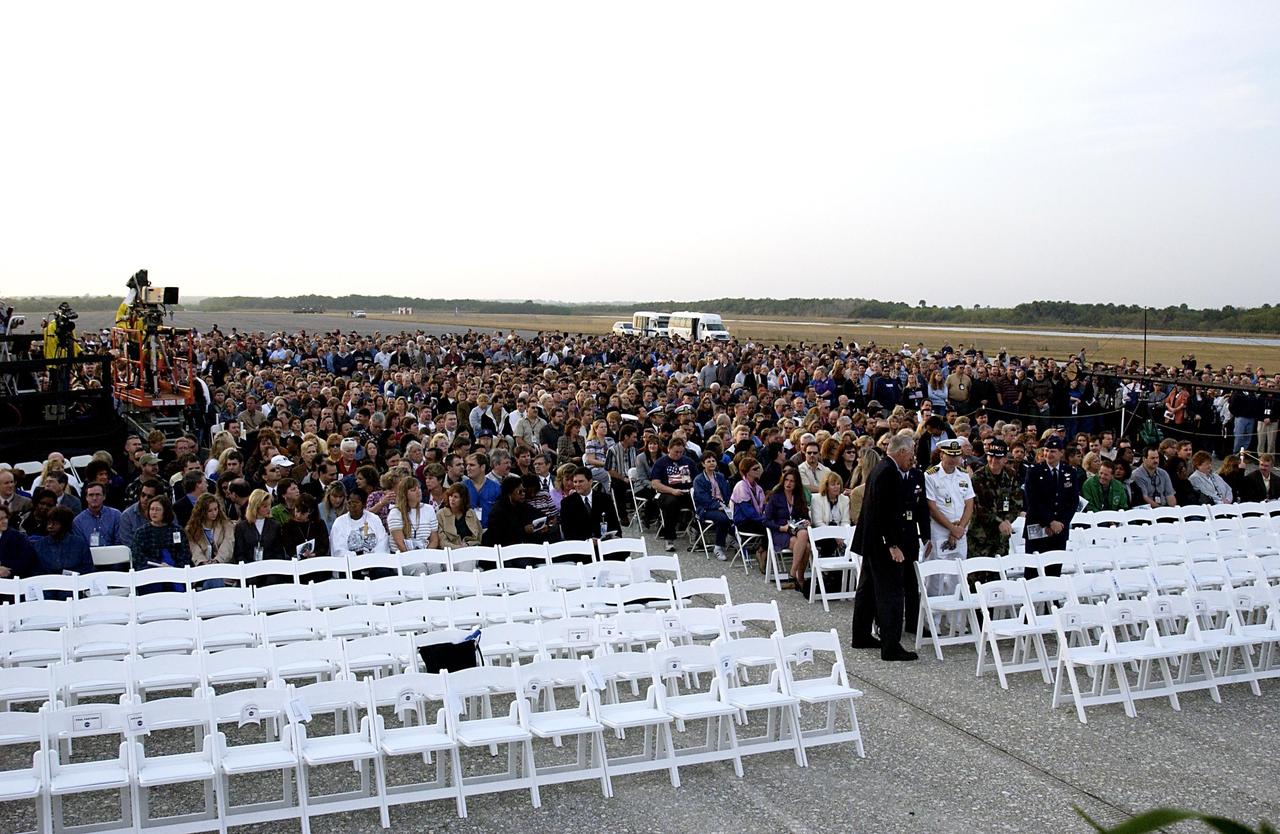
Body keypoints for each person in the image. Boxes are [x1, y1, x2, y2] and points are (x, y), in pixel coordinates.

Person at [850, 433, 928, 662]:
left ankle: (861, 634)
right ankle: (891, 645)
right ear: (902, 451)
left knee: (868, 589)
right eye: (911, 452)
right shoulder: (888, 472)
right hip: (883, 543)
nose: (912, 457)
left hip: (873, 541)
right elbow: (883, 512)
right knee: (891, 593)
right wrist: (892, 544)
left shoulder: (882, 469)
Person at [922, 438, 974, 602]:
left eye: (957, 455)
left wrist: (960, 528)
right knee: (936, 578)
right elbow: (932, 507)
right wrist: (952, 528)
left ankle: (955, 622)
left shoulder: (964, 475)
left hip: (960, 531)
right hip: (940, 531)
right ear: (941, 455)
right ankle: (932, 623)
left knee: (958, 577)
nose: (954, 459)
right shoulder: (931, 476)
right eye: (950, 455)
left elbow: (969, 504)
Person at [1022, 436, 1081, 576]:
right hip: (1038, 527)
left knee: (1054, 571)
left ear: (1061, 453)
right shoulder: (1034, 471)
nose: (1049, 454)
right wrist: (1049, 522)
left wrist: (1061, 523)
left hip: (1059, 531)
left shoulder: (1070, 472)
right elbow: (1033, 500)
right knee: (1033, 571)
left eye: (1053, 451)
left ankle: (1053, 598)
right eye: (1046, 450)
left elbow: (1073, 501)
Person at [968, 439, 1023, 578]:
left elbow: (1016, 503)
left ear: (1005, 458)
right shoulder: (978, 477)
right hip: (980, 538)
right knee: (977, 580)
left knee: (998, 580)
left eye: (998, 457)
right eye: (990, 456)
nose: (993, 460)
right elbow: (977, 507)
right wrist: (999, 522)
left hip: (1001, 538)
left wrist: (1007, 521)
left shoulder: (1011, 476)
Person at [764, 468, 813, 594]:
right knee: (806, 547)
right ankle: (799, 578)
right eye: (786, 480)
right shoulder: (775, 497)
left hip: (795, 530)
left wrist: (807, 521)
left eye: (792, 481)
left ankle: (793, 571)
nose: (788, 483)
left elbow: (805, 515)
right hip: (780, 531)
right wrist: (781, 528)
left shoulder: (799, 497)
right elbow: (766, 521)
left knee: (804, 533)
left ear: (796, 484)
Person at [130, 495, 192, 590]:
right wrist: (158, 566)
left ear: (165, 511)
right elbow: (138, 557)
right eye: (152, 509)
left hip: (175, 571)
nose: (154, 512)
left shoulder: (177, 530)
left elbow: (184, 554)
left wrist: (172, 567)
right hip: (150, 573)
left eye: (158, 509)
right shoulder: (141, 532)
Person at [649, 437, 699, 552]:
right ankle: (669, 538)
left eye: (681, 452)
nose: (679, 454)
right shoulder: (661, 463)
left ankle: (695, 528)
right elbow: (655, 484)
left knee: (700, 502)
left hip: (686, 492)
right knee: (671, 503)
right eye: (676, 452)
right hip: (666, 492)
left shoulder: (688, 462)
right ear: (669, 449)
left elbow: (697, 479)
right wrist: (672, 491)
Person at [560, 466, 622, 541]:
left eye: (581, 481)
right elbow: (567, 531)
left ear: (590, 481)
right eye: (575, 482)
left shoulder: (605, 499)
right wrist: (587, 541)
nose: (577, 485)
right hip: (581, 545)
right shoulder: (567, 503)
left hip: (604, 543)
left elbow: (614, 524)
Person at [692, 452, 733, 560]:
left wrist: (728, 504)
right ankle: (718, 547)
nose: (711, 463)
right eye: (708, 461)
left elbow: (727, 493)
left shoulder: (720, 476)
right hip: (706, 509)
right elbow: (702, 499)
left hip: (723, 506)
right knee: (723, 518)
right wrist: (717, 506)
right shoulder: (699, 480)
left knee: (736, 515)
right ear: (703, 464)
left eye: (713, 461)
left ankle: (733, 538)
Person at [482, 476, 542, 546]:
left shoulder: (521, 505)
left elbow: (537, 513)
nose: (523, 494)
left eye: (524, 491)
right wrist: (523, 530)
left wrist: (542, 524)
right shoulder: (498, 511)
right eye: (520, 492)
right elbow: (500, 533)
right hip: (501, 547)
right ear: (510, 492)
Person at [329, 487, 389, 557]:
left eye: (356, 503)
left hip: (374, 561)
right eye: (349, 503)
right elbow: (338, 550)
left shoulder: (374, 519)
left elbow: (382, 542)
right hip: (350, 563)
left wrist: (372, 557)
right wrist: (357, 557)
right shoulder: (339, 522)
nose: (352, 506)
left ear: (364, 504)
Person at [185, 492, 235, 574]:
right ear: (202, 511)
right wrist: (203, 562)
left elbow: (228, 545)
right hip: (202, 570)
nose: (214, 513)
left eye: (216, 509)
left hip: (224, 568)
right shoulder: (191, 529)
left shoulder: (226, 525)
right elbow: (194, 549)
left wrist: (217, 560)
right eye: (210, 511)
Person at [387, 477, 440, 553]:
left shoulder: (429, 509)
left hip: (426, 555)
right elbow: (400, 544)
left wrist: (426, 555)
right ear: (404, 494)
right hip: (402, 556)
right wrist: (414, 558)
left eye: (419, 488)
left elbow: (434, 539)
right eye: (413, 490)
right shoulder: (395, 513)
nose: (418, 492)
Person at [280, 494, 331, 560]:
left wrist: (314, 554)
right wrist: (300, 555)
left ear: (310, 512)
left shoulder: (319, 524)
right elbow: (289, 548)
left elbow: (324, 546)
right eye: (297, 511)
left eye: (302, 513)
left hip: (317, 560)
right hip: (296, 561)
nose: (298, 515)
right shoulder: (288, 526)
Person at [73, 482, 123, 548]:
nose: (94, 498)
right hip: (89, 557)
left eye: (98, 495)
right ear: (86, 498)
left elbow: (119, 542)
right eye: (91, 495)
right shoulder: (78, 521)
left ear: (104, 497)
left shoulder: (116, 515)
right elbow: (80, 546)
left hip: (113, 555)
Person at [437, 484, 483, 549]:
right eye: (450, 496)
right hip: (450, 552)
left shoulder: (471, 513)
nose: (452, 499)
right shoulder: (440, 514)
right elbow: (442, 541)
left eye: (455, 497)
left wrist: (467, 545)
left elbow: (478, 537)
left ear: (463, 499)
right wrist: (459, 548)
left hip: (470, 549)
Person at [0, 505, 38, 579]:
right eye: (0, 519)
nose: (4, 521)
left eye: (5, 518)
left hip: (12, 579)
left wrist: (9, 571)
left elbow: (26, 561)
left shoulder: (18, 538)